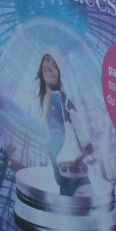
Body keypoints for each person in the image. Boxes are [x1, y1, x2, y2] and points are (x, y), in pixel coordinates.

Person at [36, 53, 90, 196]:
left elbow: (76, 131)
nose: (49, 68)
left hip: (76, 178)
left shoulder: (61, 99)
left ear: (60, 73)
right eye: (47, 62)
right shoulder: (44, 101)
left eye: (55, 66)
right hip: (63, 178)